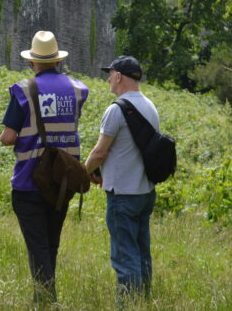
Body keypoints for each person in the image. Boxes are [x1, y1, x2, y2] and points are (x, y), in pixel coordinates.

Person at [0, 31, 89, 304]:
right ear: (58, 61)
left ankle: (46, 301)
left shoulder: (23, 90)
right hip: (62, 182)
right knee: (51, 244)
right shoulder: (77, 89)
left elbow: (8, 137)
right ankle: (47, 298)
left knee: (38, 247)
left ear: (31, 63)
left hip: (29, 181)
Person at [84, 55, 160, 302]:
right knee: (141, 254)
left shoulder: (116, 110)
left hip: (123, 196)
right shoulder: (150, 107)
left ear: (118, 76)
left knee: (124, 258)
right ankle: (143, 301)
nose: (108, 80)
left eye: (110, 74)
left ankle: (127, 305)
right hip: (145, 193)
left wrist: (85, 171)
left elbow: (100, 152)